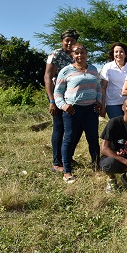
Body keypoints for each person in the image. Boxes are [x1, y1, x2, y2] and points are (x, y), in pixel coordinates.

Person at [54, 44, 102, 184]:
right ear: (72, 55)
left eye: (82, 52)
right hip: (73, 110)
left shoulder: (93, 69)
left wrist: (99, 101)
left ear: (87, 54)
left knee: (93, 139)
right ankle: (67, 171)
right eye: (77, 53)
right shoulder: (66, 70)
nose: (80, 55)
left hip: (91, 110)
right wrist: (63, 105)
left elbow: (98, 87)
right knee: (69, 139)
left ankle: (96, 168)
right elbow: (58, 92)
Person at [44, 28, 79, 173]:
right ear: (62, 41)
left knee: (72, 128)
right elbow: (48, 76)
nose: (70, 43)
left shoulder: (76, 55)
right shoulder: (56, 54)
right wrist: (52, 101)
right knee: (59, 127)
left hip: (72, 96)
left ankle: (67, 157)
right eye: (67, 40)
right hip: (57, 95)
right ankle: (57, 162)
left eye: (72, 40)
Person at [100, 42, 127, 119]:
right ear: (113, 54)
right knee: (118, 126)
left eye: (121, 52)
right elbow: (103, 88)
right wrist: (103, 106)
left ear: (125, 54)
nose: (119, 54)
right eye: (116, 52)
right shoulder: (107, 67)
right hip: (112, 103)